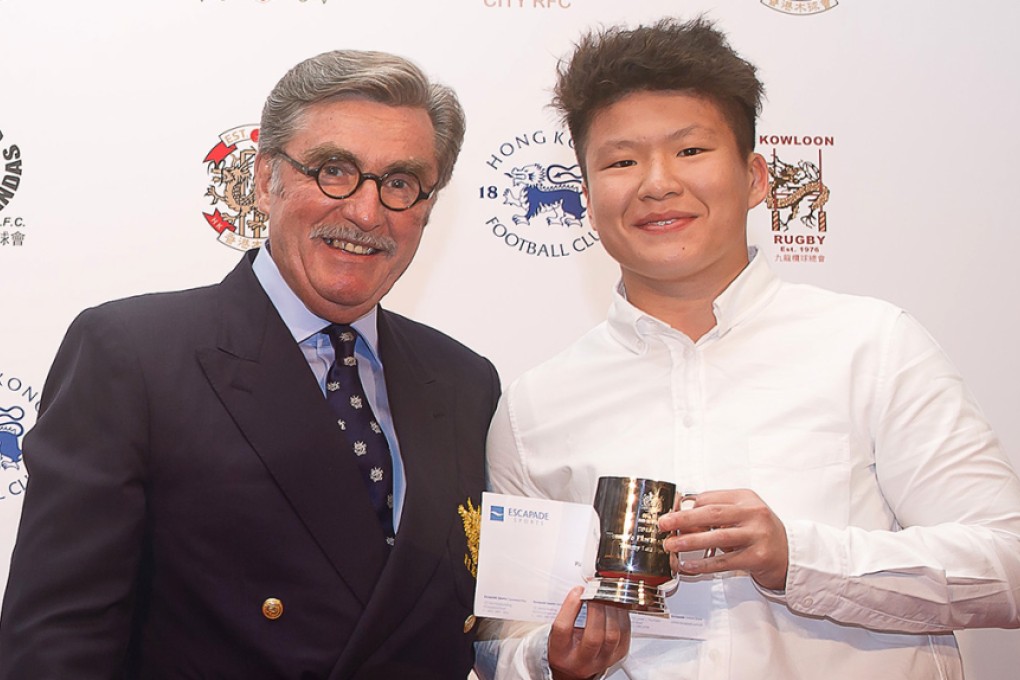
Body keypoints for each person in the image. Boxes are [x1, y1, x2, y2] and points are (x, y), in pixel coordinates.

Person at [477, 17, 1020, 680]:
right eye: (621, 162)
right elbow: (505, 640)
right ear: (587, 200)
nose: (656, 183)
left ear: (757, 176)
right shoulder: (534, 405)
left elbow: (1006, 567)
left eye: (690, 151)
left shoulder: (874, 345)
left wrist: (794, 556)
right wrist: (549, 656)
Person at [0, 49, 500, 679]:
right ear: (266, 180)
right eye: (334, 171)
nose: (367, 213)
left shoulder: (463, 380)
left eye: (399, 183)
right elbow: (57, 641)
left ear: (428, 205)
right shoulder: (133, 354)